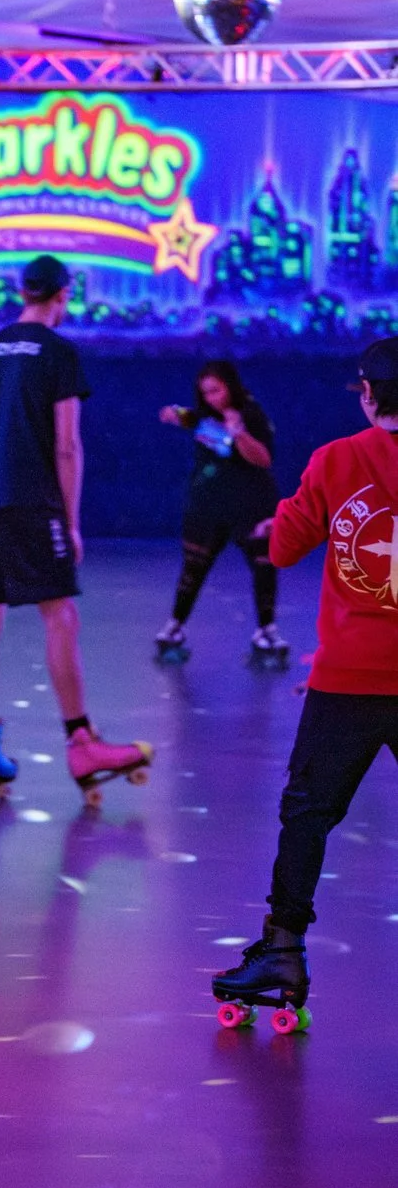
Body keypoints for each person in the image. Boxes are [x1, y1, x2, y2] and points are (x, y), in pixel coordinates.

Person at [208, 336, 398, 1032]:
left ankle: (282, 953)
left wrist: (294, 506)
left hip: (349, 678)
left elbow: (284, 547)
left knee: (307, 815)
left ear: (368, 395)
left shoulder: (337, 460)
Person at [0, 254, 152, 807]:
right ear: (63, 295)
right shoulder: (58, 352)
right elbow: (67, 446)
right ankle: (81, 743)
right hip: (32, 501)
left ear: (24, 292)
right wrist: (70, 521)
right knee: (60, 614)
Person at [153, 359, 284, 667]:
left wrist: (238, 432)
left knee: (264, 566)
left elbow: (263, 458)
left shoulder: (251, 414)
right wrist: (174, 414)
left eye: (216, 391)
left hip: (250, 506)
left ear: (231, 387)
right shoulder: (204, 415)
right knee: (194, 567)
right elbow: (192, 419)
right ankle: (174, 627)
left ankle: (266, 631)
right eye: (206, 392)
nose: (211, 398)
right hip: (208, 504)